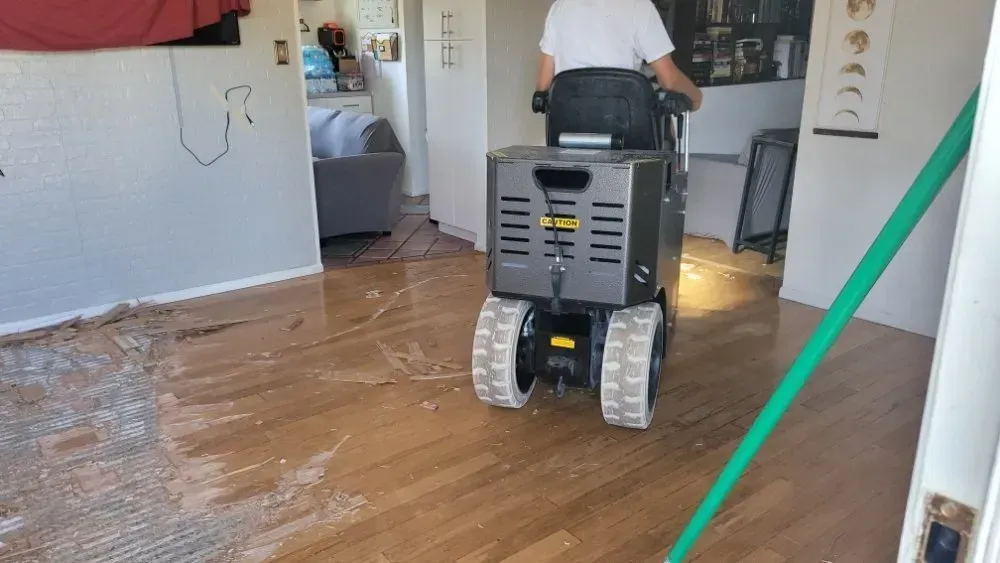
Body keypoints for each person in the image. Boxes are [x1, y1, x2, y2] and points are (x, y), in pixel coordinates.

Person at [536, 0, 703, 112]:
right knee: (664, 125)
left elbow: (543, 86)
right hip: (623, 133)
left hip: (566, 131)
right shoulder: (639, 6)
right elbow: (669, 80)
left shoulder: (560, 7)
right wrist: (696, 97)